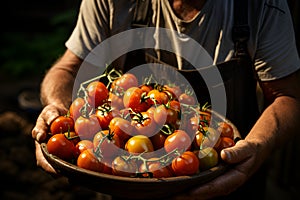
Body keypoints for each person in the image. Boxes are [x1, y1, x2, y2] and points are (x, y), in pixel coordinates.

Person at [32, 0, 300, 199]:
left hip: (231, 175)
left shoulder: (262, 6)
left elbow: (288, 95)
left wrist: (255, 148)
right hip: (132, 185)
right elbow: (67, 69)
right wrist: (56, 107)